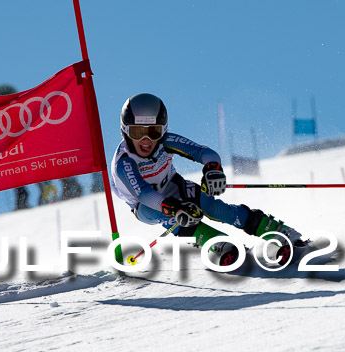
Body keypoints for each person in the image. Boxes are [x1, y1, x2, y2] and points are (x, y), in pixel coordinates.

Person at [110, 93, 308, 267]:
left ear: (163, 130)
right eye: (138, 132)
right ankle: (220, 245)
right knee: (180, 218)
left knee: (212, 208)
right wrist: (173, 208)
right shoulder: (124, 162)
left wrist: (213, 169)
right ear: (125, 130)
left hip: (173, 185)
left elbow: (203, 152)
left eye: (153, 131)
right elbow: (144, 194)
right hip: (146, 206)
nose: (146, 140)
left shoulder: (166, 141)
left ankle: (280, 232)